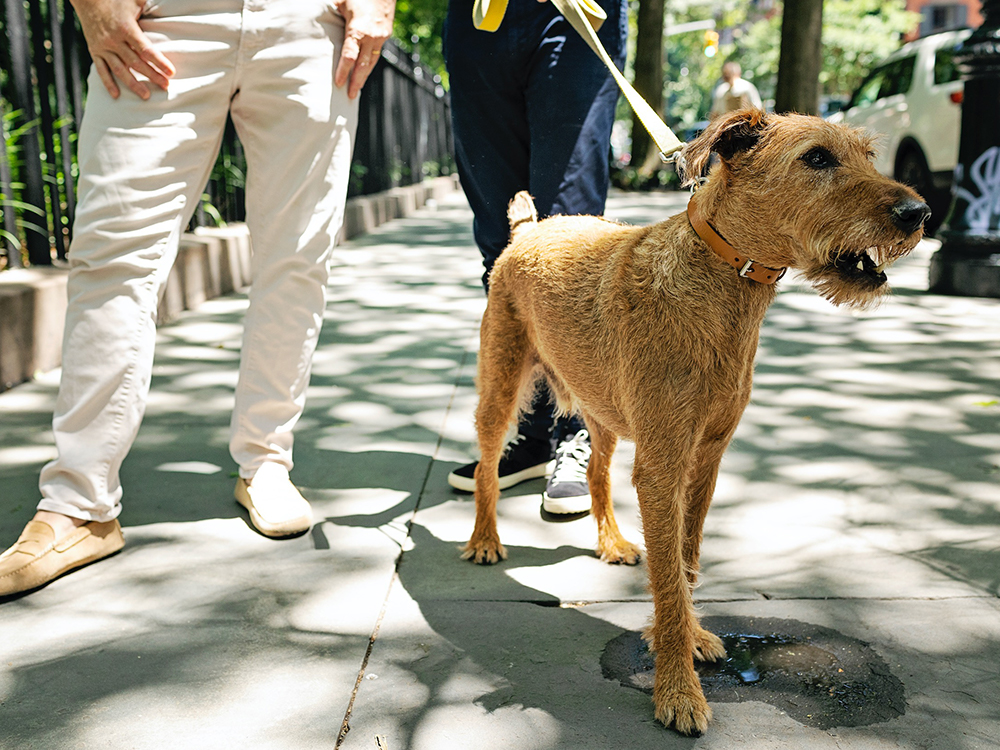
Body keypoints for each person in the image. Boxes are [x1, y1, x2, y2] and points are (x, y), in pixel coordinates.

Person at [0, 0, 395, 598]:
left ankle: (266, 460)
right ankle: (79, 504)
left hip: (309, 22)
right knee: (111, 256)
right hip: (162, 16)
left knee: (297, 260)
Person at [442, 0, 626, 515]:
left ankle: (575, 434)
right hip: (480, 19)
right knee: (503, 249)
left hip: (576, 15)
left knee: (569, 250)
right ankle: (528, 435)